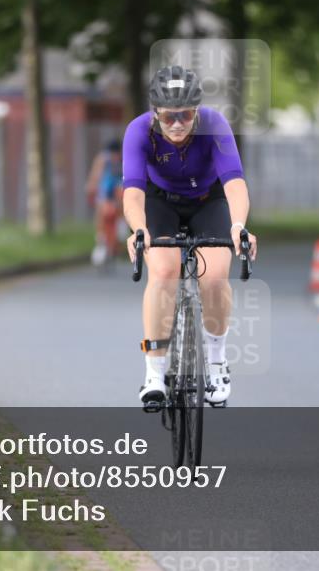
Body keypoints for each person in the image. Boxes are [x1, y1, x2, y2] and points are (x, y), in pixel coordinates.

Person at [122, 65, 257, 407]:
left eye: (185, 115)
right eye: (169, 117)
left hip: (207, 201)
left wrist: (239, 226)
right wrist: (139, 230)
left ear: (196, 112)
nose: (178, 123)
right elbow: (133, 194)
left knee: (213, 277)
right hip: (159, 201)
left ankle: (216, 362)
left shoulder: (214, 126)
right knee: (164, 272)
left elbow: (235, 184)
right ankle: (154, 373)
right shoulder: (138, 131)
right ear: (155, 114)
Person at [85, 139, 124, 266]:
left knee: (122, 202)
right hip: (106, 188)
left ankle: (120, 232)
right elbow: (96, 176)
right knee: (101, 210)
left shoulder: (123, 159)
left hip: (119, 187)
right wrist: (91, 188)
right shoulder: (103, 159)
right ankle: (101, 238)